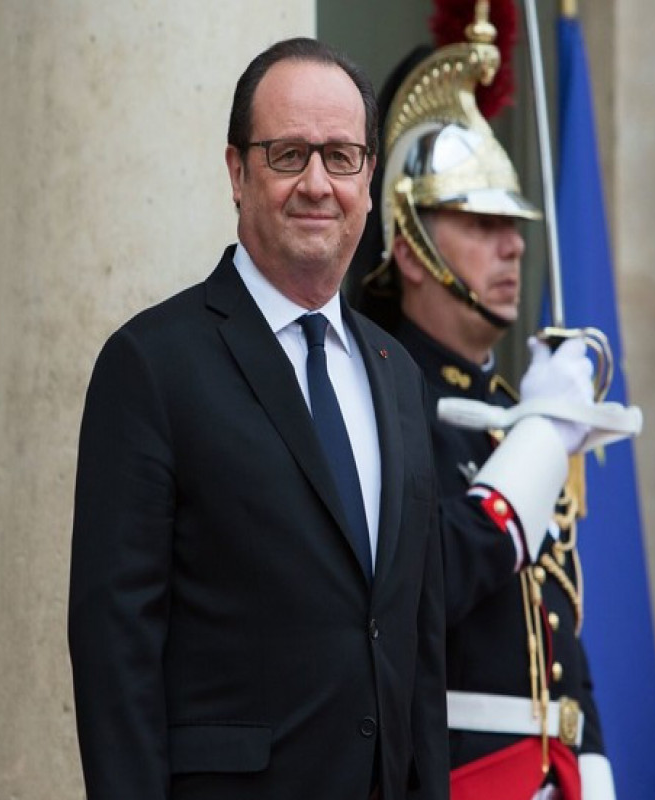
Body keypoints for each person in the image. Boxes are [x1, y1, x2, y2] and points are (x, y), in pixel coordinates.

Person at [68, 38, 448, 800]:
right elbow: (115, 650)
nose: (317, 184)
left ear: (369, 178)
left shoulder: (398, 375)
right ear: (237, 173)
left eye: (341, 157)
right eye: (288, 155)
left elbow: (418, 644)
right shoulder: (152, 365)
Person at [355, 13, 615, 800]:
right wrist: (538, 442)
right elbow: (426, 578)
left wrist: (592, 768)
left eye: (515, 225)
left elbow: (561, 629)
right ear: (410, 250)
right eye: (482, 223)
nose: (515, 246)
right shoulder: (379, 394)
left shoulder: (514, 409)